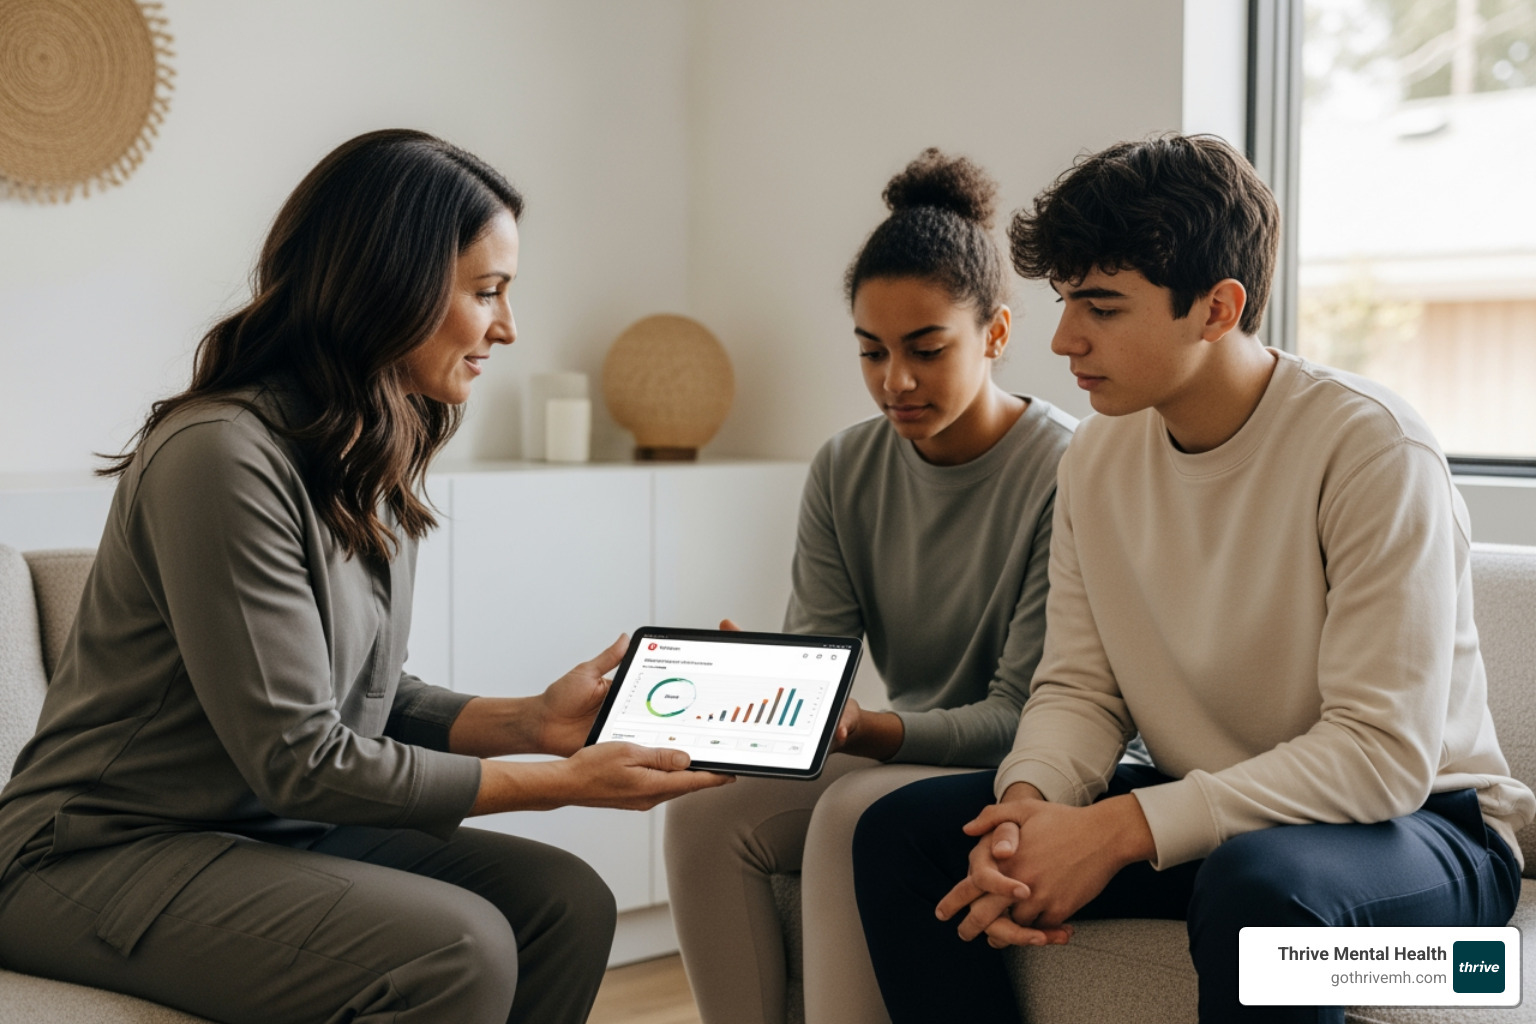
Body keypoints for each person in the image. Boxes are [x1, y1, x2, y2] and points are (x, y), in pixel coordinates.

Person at [0, 129, 730, 1024]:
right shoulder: (220, 457)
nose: (508, 328)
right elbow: (301, 756)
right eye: (487, 292)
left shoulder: (368, 449)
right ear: (395, 284)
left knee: (564, 906)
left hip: (261, 833)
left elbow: (365, 694)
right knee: (455, 950)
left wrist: (532, 723)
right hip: (91, 857)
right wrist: (563, 781)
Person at [852, 133, 1536, 1023]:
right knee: (903, 836)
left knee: (1266, 894)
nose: (1063, 338)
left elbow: (1381, 757)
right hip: (1224, 817)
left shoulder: (1370, 447)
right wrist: (1027, 814)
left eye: (1100, 305)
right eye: (1063, 300)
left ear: (1217, 308)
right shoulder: (1097, 457)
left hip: (1424, 836)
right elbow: (1079, 690)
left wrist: (1119, 831)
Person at [664, 149, 1075, 1024]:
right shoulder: (846, 466)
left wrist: (871, 728)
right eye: (872, 351)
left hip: (1027, 763)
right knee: (702, 812)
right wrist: (763, 693)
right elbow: (820, 666)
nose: (896, 381)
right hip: (911, 745)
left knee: (855, 810)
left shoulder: (1069, 469)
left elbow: (1025, 714)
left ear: (997, 335)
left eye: (927, 350)